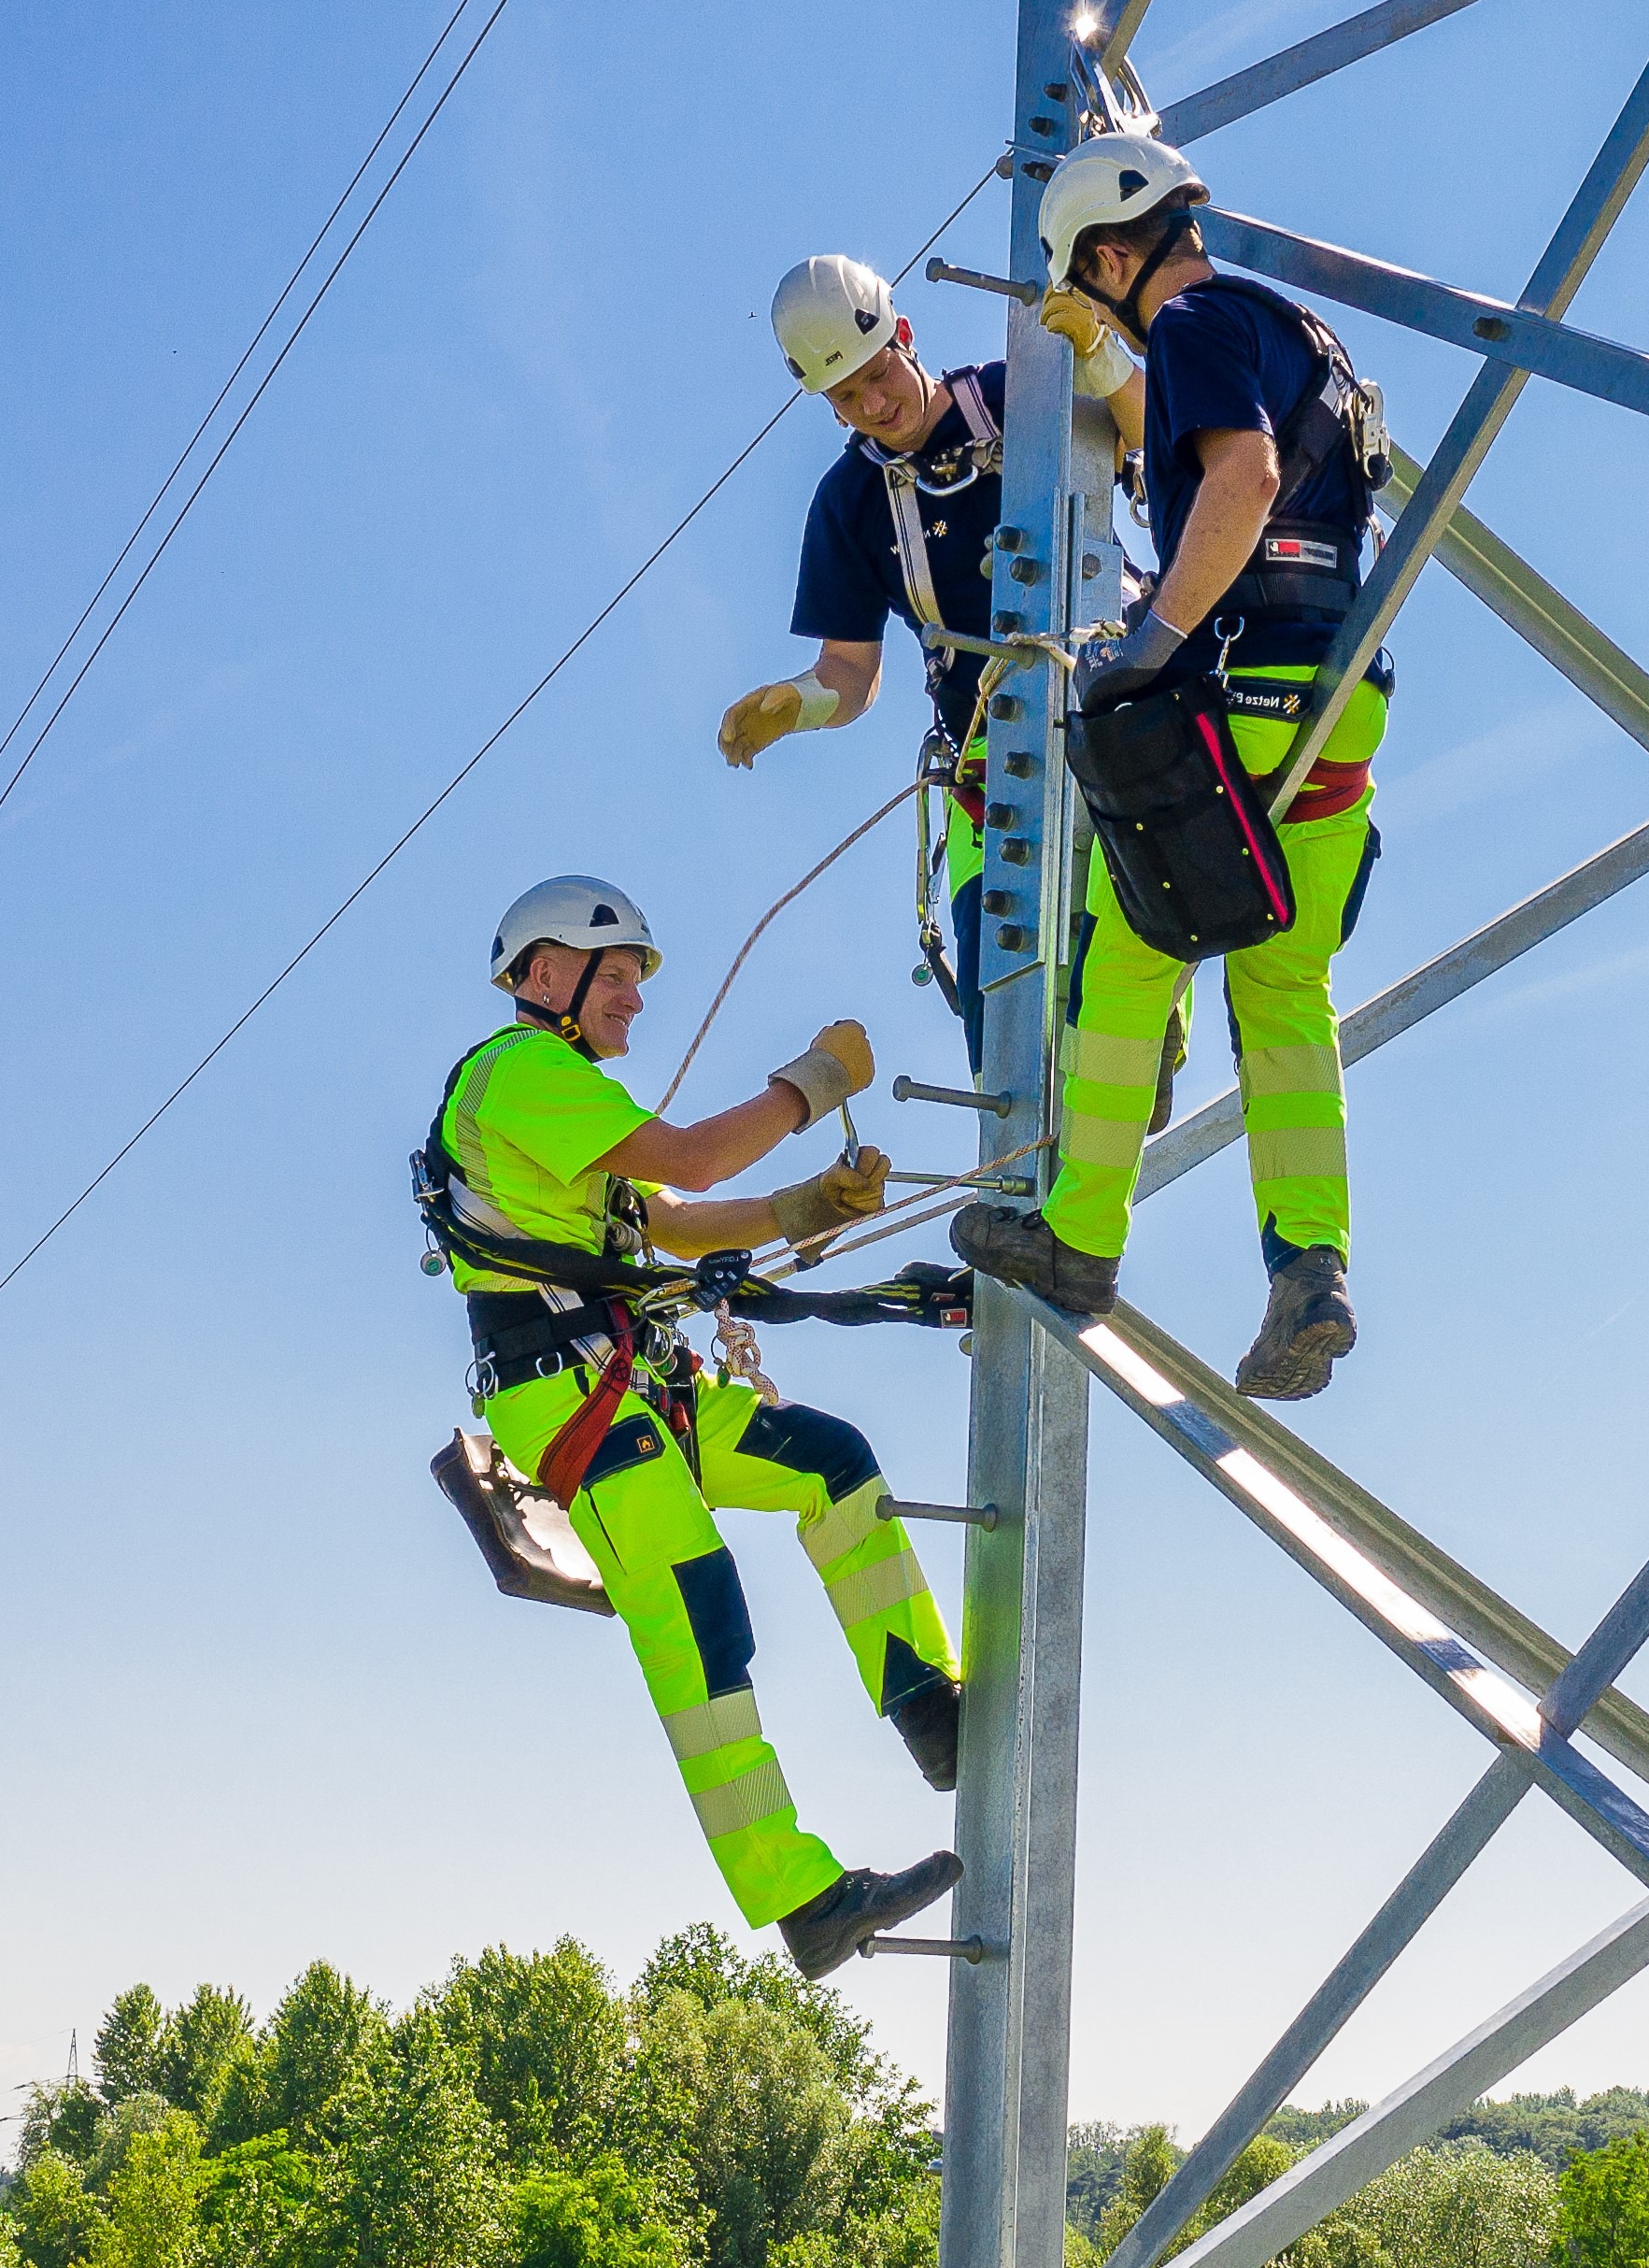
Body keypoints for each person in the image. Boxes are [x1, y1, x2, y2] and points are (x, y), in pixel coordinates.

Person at [420, 877, 967, 1982]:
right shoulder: (517, 1072)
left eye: (631, 979)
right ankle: (799, 1893)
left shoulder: (564, 1095)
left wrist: (801, 1209)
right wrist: (813, 1082)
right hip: (569, 1394)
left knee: (830, 1461)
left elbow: (666, 1221)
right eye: (611, 974)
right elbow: (694, 1162)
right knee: (694, 1607)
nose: (631, 997)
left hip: (632, 1379)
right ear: (540, 977)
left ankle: (925, 1702)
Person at [952, 132, 1395, 1401]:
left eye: (1090, 291)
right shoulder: (1296, 331)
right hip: (1339, 703)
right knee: (1283, 983)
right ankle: (1310, 1264)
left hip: (1236, 691)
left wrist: (1147, 642)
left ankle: (1079, 1237)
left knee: (1128, 948)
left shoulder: (1197, 321)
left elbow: (1242, 477)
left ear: (1102, 255)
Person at [723, 255, 1142, 1061]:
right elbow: (850, 673)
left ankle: (1136, 1069)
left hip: (1113, 711)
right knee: (1003, 1014)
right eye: (847, 397)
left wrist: (1102, 356)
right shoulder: (848, 504)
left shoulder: (1028, 392)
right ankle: (1018, 1170)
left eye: (880, 375)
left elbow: (1152, 429)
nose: (874, 405)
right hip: (989, 762)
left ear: (904, 335)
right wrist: (797, 704)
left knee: (1122, 973)